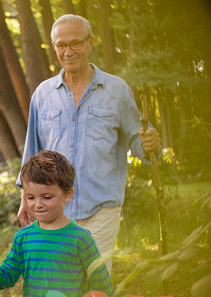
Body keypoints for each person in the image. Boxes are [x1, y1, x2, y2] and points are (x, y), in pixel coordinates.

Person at [17, 14, 161, 272]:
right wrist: (25, 198)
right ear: (54, 48)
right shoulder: (43, 94)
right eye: (61, 45)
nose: (68, 51)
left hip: (102, 206)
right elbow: (33, 152)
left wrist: (150, 142)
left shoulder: (116, 90)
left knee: (95, 280)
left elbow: (137, 141)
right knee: (62, 280)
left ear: (90, 43)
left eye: (75, 43)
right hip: (54, 207)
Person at [0, 151, 122, 297]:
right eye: (30, 197)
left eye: (47, 197)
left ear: (67, 195)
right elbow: (9, 275)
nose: (37, 204)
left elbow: (102, 285)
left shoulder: (80, 239)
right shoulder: (23, 238)